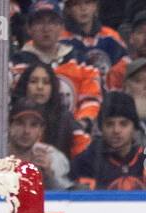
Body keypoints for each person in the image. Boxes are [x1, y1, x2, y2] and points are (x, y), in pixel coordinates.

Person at [13, 0, 104, 133]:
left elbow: (91, 97)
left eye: (52, 22)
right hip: (27, 133)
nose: (46, 28)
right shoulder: (16, 62)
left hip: (72, 134)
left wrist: (82, 123)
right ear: (29, 29)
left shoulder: (80, 61)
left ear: (62, 28)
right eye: (39, 22)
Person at [71, 90, 146, 189]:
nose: (116, 130)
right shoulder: (87, 161)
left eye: (123, 124)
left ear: (134, 128)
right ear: (101, 127)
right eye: (109, 124)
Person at [0, 97, 72, 190]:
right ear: (9, 126)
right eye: (20, 123)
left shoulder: (54, 158)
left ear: (41, 130)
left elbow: (68, 199)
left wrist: (49, 177)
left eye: (33, 125)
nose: (26, 131)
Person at [13, 59, 82, 157]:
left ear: (53, 87)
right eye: (33, 81)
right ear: (25, 85)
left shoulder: (64, 118)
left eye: (46, 82)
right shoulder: (10, 114)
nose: (40, 87)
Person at [63, 0, 127, 66]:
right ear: (68, 9)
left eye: (87, 2)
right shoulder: (62, 39)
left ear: (95, 6)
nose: (83, 8)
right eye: (76, 4)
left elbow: (126, 60)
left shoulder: (110, 36)